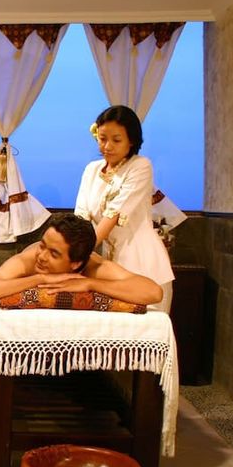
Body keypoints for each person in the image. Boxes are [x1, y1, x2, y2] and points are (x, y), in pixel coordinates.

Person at [74, 105, 174, 312]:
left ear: (132, 141)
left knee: (145, 328)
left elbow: (113, 214)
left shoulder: (140, 166)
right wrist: (72, 248)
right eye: (102, 139)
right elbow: (81, 217)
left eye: (116, 140)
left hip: (143, 261)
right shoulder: (92, 170)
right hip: (108, 263)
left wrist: (77, 255)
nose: (107, 146)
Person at [0, 213, 162, 308]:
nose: (42, 256)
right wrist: (40, 279)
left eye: (54, 254)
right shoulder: (30, 259)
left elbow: (153, 292)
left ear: (76, 264)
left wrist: (90, 283)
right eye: (43, 245)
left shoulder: (93, 266)